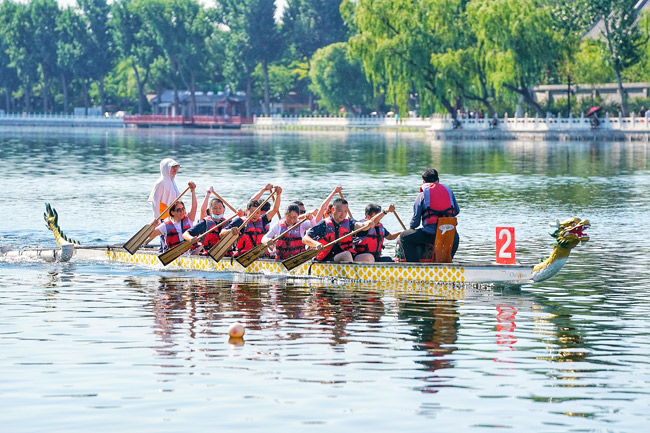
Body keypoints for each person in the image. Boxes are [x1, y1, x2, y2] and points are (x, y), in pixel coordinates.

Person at [399, 168, 459, 262]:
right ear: (438, 180)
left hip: (430, 235)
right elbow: (456, 211)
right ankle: (447, 263)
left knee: (404, 237)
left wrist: (410, 229)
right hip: (450, 235)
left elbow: (415, 221)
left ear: (423, 182)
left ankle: (414, 267)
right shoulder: (449, 192)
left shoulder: (422, 195)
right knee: (456, 237)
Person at [302, 198, 372, 263]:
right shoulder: (324, 224)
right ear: (333, 210)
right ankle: (353, 275)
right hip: (327, 259)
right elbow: (305, 239)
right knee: (346, 255)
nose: (343, 214)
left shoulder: (349, 222)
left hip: (345, 257)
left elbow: (361, 226)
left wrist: (368, 224)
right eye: (340, 211)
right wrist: (316, 244)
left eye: (345, 211)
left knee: (368, 257)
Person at [226, 186, 282, 256]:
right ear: (247, 211)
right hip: (243, 257)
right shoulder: (239, 221)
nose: (255, 215)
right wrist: (230, 231)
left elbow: (275, 209)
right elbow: (222, 233)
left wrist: (278, 194)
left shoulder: (263, 220)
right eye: (252, 212)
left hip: (261, 255)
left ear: (260, 212)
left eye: (257, 213)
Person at [145, 185, 198, 252]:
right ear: (172, 212)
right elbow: (152, 235)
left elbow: (194, 207)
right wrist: (153, 226)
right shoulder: (165, 225)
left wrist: (193, 191)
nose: (182, 212)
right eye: (178, 210)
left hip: (190, 252)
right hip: (174, 254)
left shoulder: (189, 219)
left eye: (183, 209)